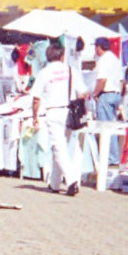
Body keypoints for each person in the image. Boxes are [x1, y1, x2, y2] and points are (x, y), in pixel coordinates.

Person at [29, 41, 83, 196]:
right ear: (62, 55)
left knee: (59, 148)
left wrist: (34, 117)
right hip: (70, 112)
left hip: (54, 112)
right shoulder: (71, 71)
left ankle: (72, 180)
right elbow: (83, 92)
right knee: (61, 147)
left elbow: (36, 99)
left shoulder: (44, 73)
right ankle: (54, 183)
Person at [89, 37, 124, 164]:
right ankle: (113, 156)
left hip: (106, 94)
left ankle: (111, 158)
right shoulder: (115, 59)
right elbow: (121, 81)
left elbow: (102, 81)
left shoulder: (103, 60)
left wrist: (95, 94)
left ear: (98, 47)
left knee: (105, 128)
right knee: (112, 127)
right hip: (116, 94)